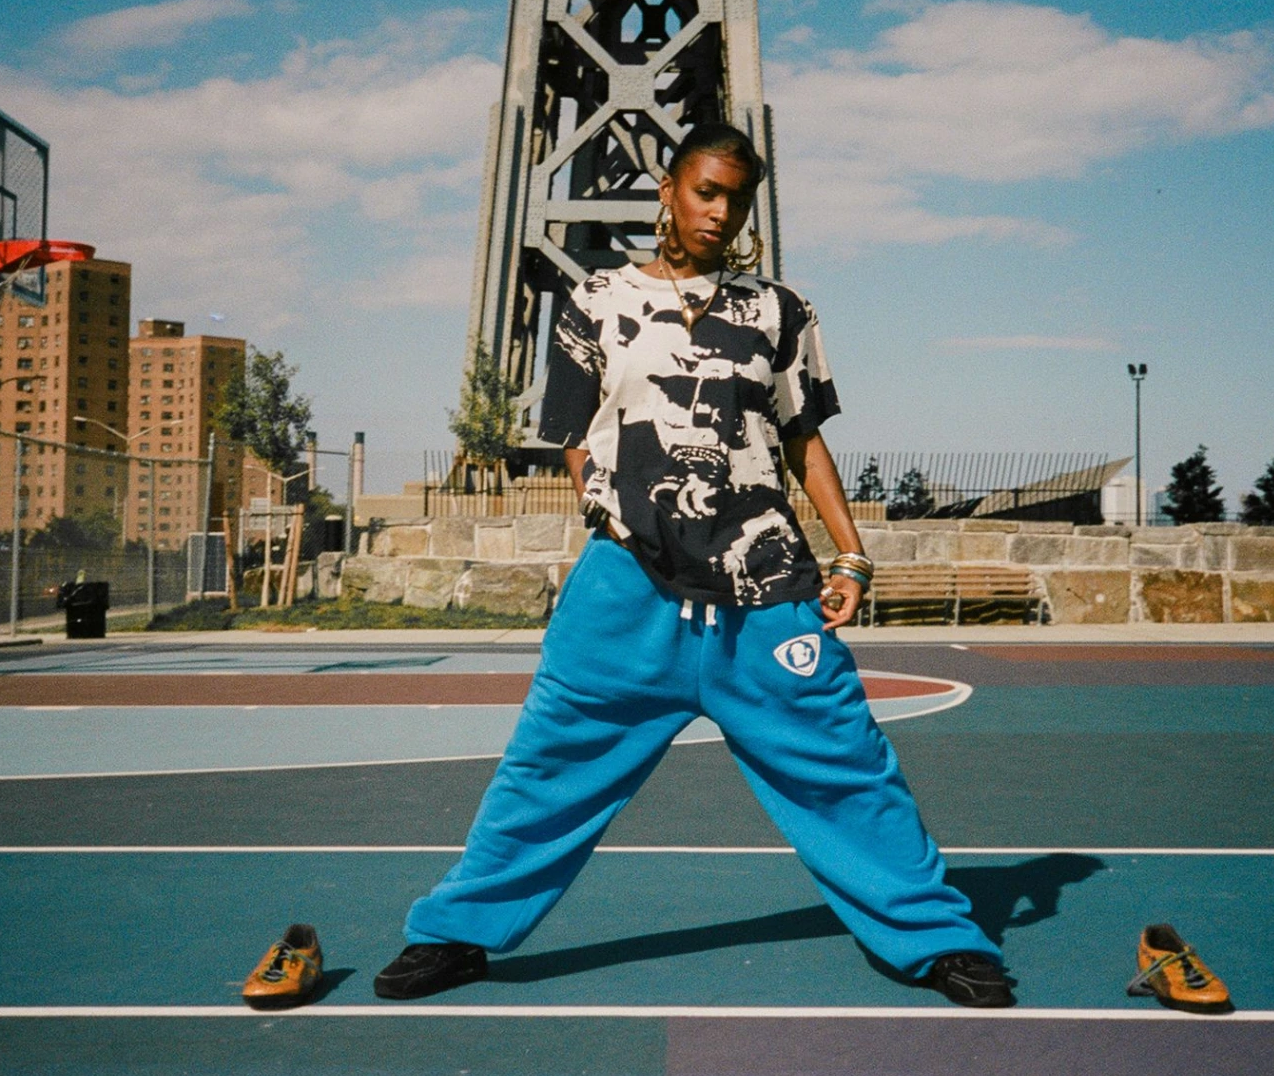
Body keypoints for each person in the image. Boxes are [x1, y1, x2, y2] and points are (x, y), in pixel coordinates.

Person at [373, 122, 1014, 1009]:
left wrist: (853, 554)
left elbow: (803, 440)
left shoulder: (780, 310)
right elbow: (573, 434)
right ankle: (456, 933)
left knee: (846, 767)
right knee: (548, 768)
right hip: (626, 591)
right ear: (669, 191)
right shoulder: (597, 300)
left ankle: (935, 938)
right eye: (706, 192)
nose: (720, 212)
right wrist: (609, 504)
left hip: (766, 586)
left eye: (736, 199)